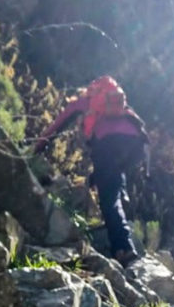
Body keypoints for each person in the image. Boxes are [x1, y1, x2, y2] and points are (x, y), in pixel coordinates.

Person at [32, 76, 149, 267]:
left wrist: (38, 147)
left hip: (108, 144)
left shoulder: (84, 103)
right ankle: (123, 198)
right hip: (136, 145)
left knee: (109, 199)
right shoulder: (116, 104)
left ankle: (124, 248)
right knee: (114, 177)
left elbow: (57, 125)